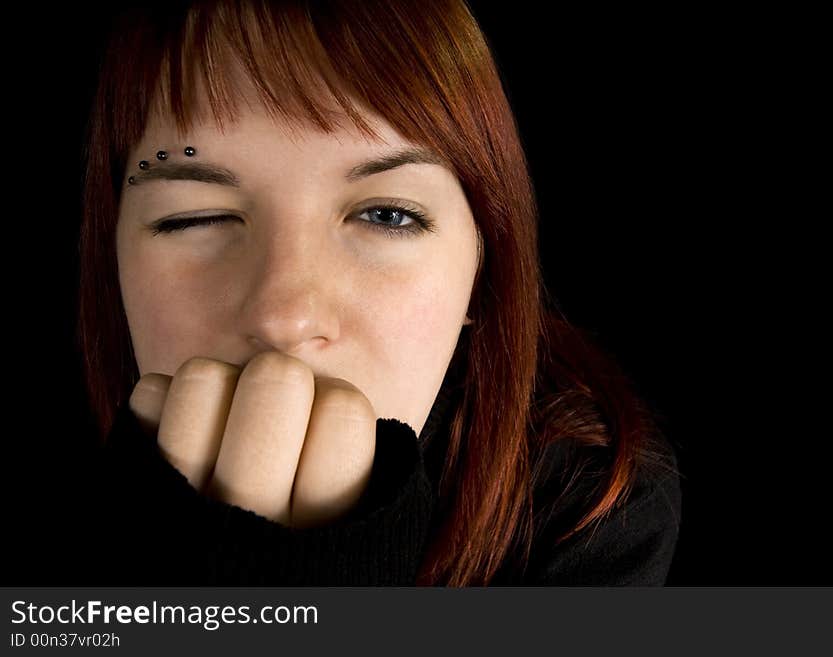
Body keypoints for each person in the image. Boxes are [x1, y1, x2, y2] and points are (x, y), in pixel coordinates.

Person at [72, 0, 681, 586]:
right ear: (112, 254)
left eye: (388, 215)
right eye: (195, 218)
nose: (286, 316)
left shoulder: (593, 506)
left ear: (482, 269)